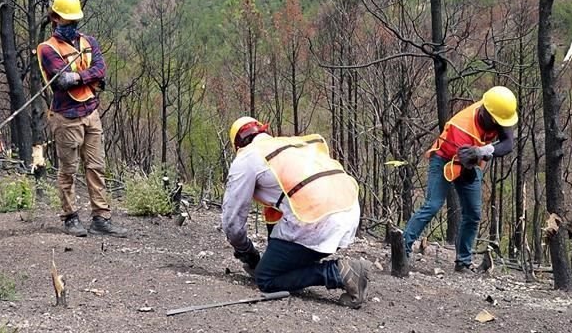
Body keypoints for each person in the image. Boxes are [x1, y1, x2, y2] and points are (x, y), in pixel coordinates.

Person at [221, 116, 372, 308]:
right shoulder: (287, 146)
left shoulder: (247, 158)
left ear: (237, 144)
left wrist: (247, 252)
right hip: (347, 209)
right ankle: (307, 270)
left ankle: (338, 273)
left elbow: (231, 224)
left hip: (317, 218)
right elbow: (276, 211)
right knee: (281, 265)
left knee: (266, 279)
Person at [36, 0, 126, 238]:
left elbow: (100, 69)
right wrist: (88, 77)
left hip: (90, 112)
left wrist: (79, 77)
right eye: (68, 20)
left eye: (75, 20)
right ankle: (70, 216)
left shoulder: (89, 42)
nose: (72, 24)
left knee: (96, 167)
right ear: (55, 17)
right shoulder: (47, 49)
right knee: (68, 169)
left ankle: (101, 218)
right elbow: (61, 81)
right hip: (66, 116)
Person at [401, 86, 517, 272]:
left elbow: (508, 143)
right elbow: (466, 168)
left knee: (473, 213)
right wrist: (477, 154)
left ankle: (463, 261)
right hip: (445, 158)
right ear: (488, 114)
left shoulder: (499, 109)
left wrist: (485, 150)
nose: (501, 126)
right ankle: (402, 249)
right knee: (433, 204)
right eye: (498, 122)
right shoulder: (461, 127)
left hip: (471, 159)